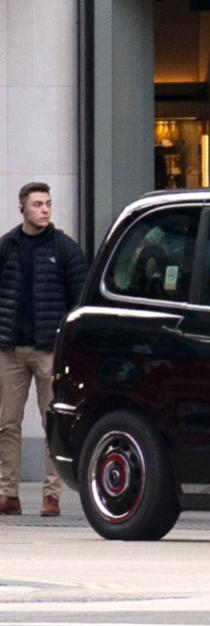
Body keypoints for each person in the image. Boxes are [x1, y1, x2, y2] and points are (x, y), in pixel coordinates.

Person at [0, 183, 88, 516]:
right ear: (22, 208)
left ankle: (52, 496)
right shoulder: (7, 247)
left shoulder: (65, 248)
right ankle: (8, 493)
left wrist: (67, 341)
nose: (45, 209)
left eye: (49, 204)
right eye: (38, 204)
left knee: (52, 421)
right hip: (10, 348)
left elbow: (79, 297)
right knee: (7, 422)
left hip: (49, 349)